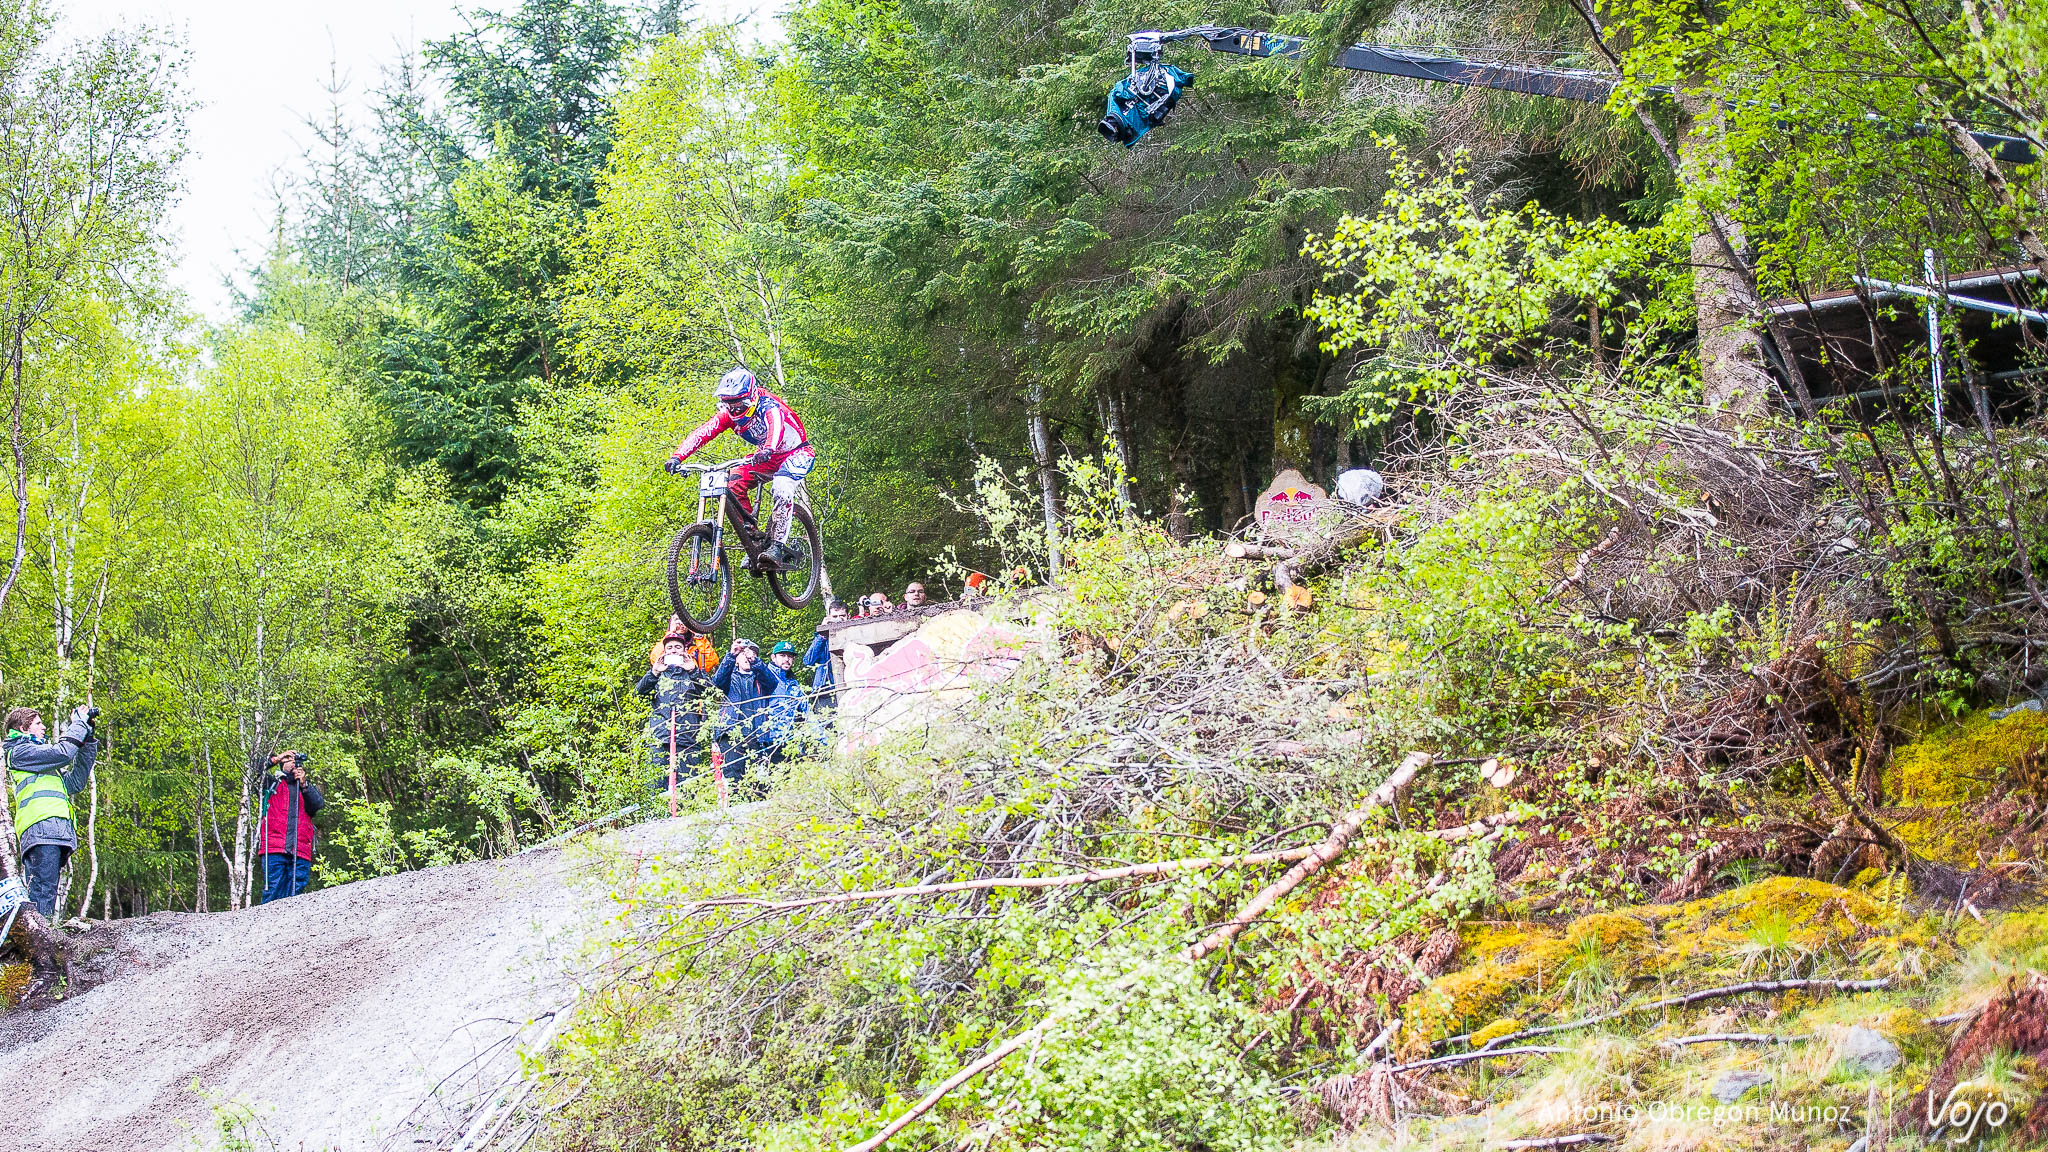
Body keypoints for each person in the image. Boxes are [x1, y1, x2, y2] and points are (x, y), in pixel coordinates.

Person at [665, 367, 815, 570]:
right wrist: (677, 456)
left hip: (796, 452)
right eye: (729, 406)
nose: (734, 411)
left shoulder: (768, 405)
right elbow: (704, 432)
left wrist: (769, 448)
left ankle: (778, 546)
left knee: (782, 485)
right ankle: (752, 539)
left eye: (739, 406)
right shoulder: (728, 414)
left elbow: (776, 425)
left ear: (752, 398)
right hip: (766, 455)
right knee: (732, 481)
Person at [6, 704, 98, 921]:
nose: (44, 727)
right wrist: (77, 724)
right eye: (38, 723)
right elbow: (63, 752)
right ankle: (41, 943)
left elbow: (75, 781)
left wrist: (87, 738)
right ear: (23, 728)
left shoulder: (44, 765)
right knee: (42, 892)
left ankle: (43, 936)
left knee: (47, 890)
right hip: (40, 830)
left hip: (54, 831)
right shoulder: (20, 752)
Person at [636, 634, 713, 794]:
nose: (673, 651)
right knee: (656, 788)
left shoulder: (693, 672)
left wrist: (693, 670)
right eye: (669, 648)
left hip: (688, 739)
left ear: (685, 650)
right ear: (664, 652)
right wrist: (654, 672)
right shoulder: (658, 674)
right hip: (660, 739)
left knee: (689, 788)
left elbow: (711, 691)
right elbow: (639, 693)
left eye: (678, 647)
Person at [710, 638, 779, 790]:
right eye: (744, 654)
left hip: (757, 736)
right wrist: (731, 655)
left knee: (759, 782)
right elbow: (716, 682)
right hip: (731, 734)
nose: (747, 657)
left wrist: (755, 662)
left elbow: (772, 683)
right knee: (733, 779)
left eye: (752, 653)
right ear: (737, 659)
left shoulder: (761, 678)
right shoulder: (728, 677)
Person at [257, 749, 323, 904]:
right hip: (274, 848)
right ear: (282, 764)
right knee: (272, 890)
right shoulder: (271, 784)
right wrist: (276, 759)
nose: (293, 763)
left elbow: (317, 805)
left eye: (295, 760)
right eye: (289, 760)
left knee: (295, 894)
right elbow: (253, 771)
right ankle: (265, 925)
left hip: (300, 850)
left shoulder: (306, 788)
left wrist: (304, 785)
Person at [761, 641, 809, 763]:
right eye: (782, 656)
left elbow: (807, 711)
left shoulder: (793, 684)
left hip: (790, 739)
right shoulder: (765, 677)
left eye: (790, 656)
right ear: (773, 657)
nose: (787, 660)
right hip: (769, 740)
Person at [804, 599, 848, 710]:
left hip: (849, 687)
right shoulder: (822, 639)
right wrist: (822, 634)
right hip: (825, 692)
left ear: (848, 616)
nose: (838, 619)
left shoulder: (854, 634)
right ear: (828, 617)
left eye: (842, 616)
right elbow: (808, 661)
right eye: (834, 616)